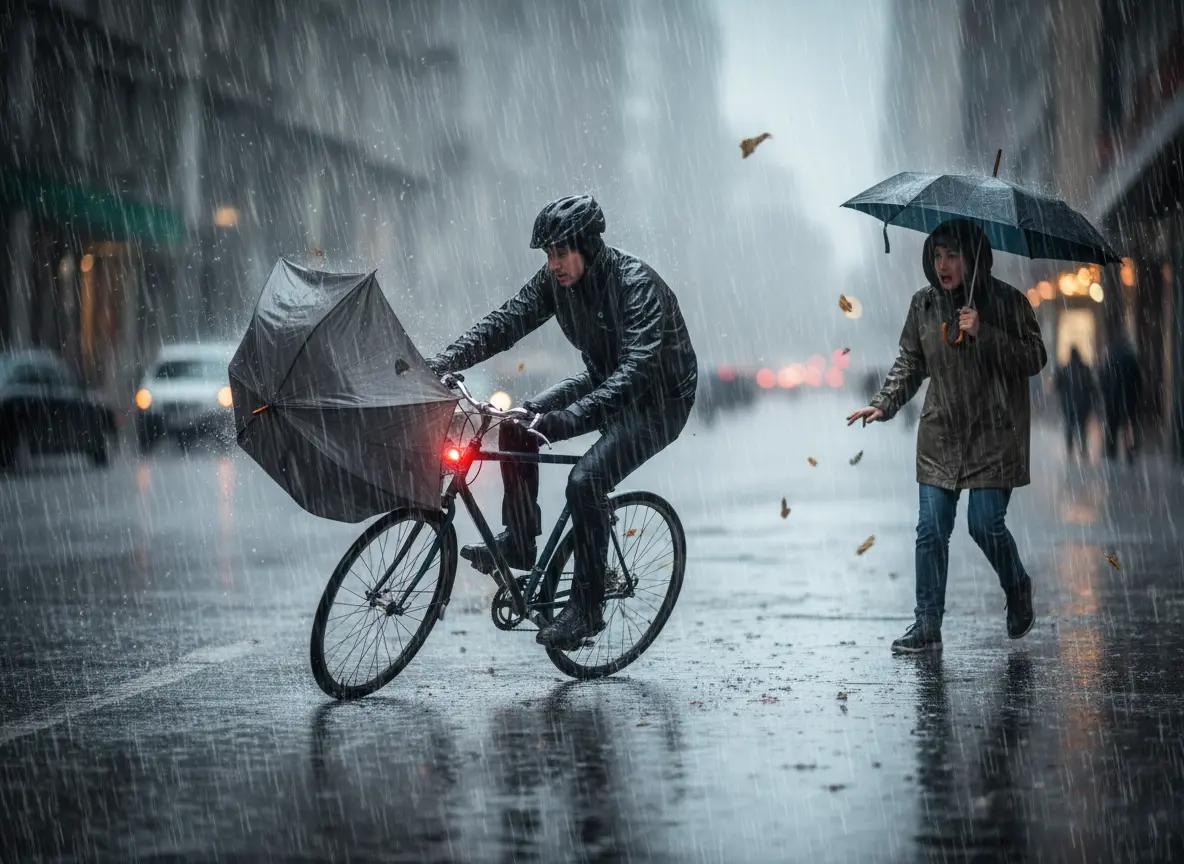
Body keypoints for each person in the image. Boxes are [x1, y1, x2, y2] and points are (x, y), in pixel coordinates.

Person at [424, 195, 698, 650]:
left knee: (586, 481)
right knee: (516, 425)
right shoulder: (557, 283)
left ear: (588, 247)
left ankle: (587, 610)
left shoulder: (636, 286)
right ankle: (520, 540)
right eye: (548, 255)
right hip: (603, 376)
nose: (553, 265)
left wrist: (568, 420)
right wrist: (445, 361)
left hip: (659, 400)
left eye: (561, 253)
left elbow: (636, 373)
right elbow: (507, 322)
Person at [846, 219, 1048, 654]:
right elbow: (910, 362)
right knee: (931, 531)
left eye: (952, 255)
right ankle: (927, 624)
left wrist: (985, 333)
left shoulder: (1008, 302)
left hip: (994, 434)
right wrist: (884, 402)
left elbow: (1035, 357)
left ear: (972, 257)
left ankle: (1017, 587)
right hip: (941, 434)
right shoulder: (924, 305)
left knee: (984, 524)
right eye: (937, 256)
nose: (943, 265)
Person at [1099, 336, 1141, 463]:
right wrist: (1137, 397)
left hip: (1113, 399)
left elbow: (1104, 378)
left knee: (1112, 426)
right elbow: (1138, 381)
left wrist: (1106, 394)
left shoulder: (1111, 358)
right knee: (1128, 427)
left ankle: (1112, 452)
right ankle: (1130, 453)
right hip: (1129, 399)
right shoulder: (1131, 358)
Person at [1053, 347, 1096, 459]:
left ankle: (1070, 450)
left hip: (1069, 404)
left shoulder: (1065, 369)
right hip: (1082, 405)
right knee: (1082, 428)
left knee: (1069, 427)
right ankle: (1083, 451)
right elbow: (1091, 387)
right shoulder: (1085, 369)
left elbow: (1057, 386)